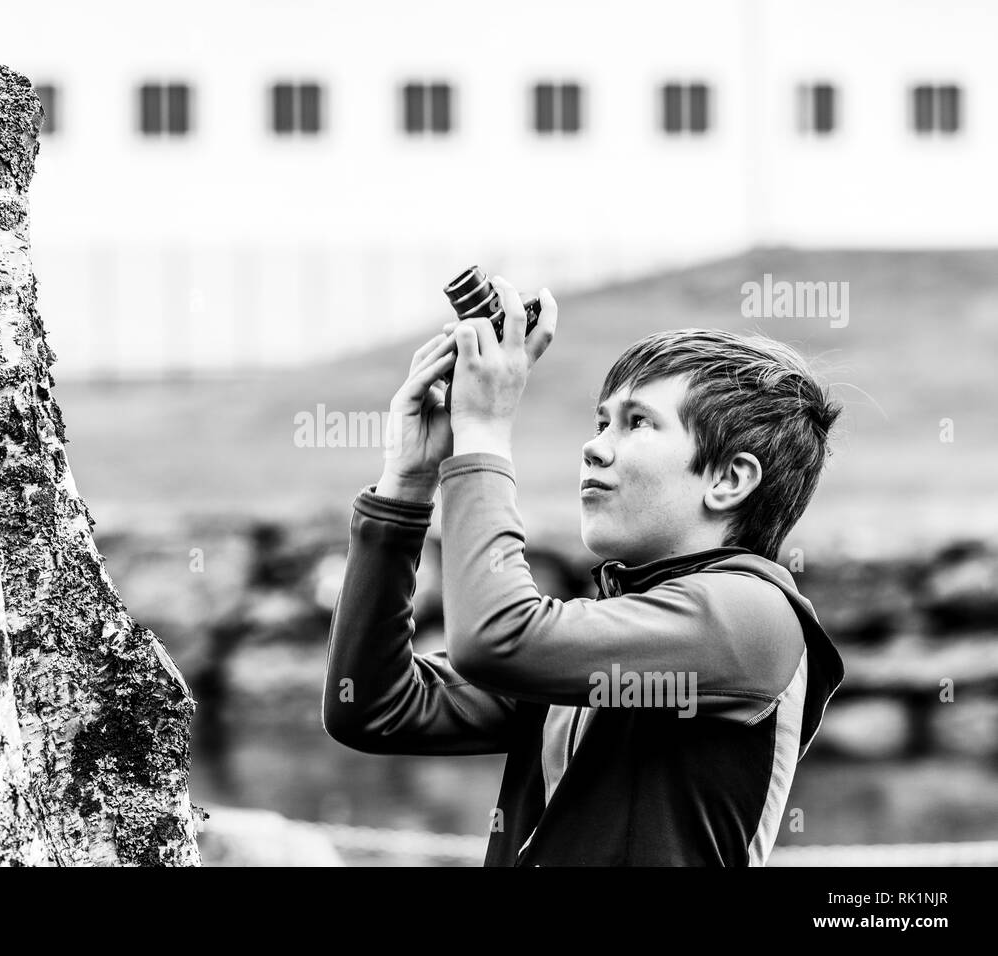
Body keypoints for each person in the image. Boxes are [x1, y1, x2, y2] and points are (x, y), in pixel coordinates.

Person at [321, 275, 846, 866]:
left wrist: (484, 434)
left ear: (728, 480)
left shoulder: (752, 616)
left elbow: (498, 637)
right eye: (601, 422)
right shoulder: (609, 636)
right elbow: (373, 707)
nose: (594, 447)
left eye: (638, 422)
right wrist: (408, 484)